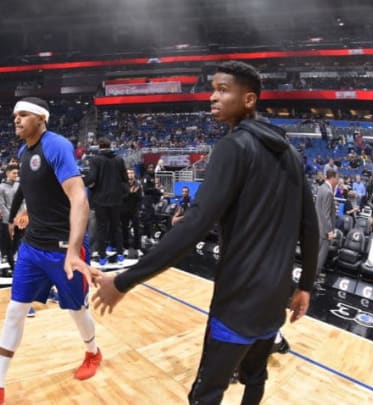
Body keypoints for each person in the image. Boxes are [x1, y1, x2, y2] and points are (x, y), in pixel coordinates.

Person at [92, 61, 319, 405]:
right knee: (255, 377)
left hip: (239, 297)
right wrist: (304, 287)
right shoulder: (289, 152)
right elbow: (309, 225)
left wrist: (124, 281)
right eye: (213, 88)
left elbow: (196, 225)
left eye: (223, 90)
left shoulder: (233, 147)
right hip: (276, 295)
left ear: (249, 99)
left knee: (206, 393)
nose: (212, 97)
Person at [0, 97, 101, 404]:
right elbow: (42, 194)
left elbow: (79, 199)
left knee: (76, 309)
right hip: (33, 246)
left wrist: (74, 250)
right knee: (15, 310)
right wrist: (25, 214)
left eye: (23, 114)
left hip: (63, 249)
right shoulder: (23, 152)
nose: (16, 119)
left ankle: (93, 353)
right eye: (14, 115)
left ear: (41, 118)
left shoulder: (57, 145)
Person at [84, 137, 128, 265]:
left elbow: (92, 178)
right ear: (110, 146)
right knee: (117, 227)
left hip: (100, 199)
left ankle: (102, 257)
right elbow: (124, 179)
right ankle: (120, 254)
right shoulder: (119, 160)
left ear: (99, 146)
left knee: (101, 228)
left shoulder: (95, 160)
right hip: (116, 199)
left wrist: (82, 181)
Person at [0, 164, 23, 271]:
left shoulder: (19, 185)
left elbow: (23, 203)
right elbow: (2, 205)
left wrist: (20, 217)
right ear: (7, 173)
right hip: (8, 221)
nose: (16, 175)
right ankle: (12, 265)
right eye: (14, 173)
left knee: (19, 243)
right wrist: (11, 219)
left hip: (20, 220)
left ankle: (19, 264)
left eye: (17, 173)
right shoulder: (0, 187)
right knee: (9, 244)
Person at [316, 169, 338, 277]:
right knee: (320, 258)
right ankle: (311, 283)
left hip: (317, 227)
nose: (337, 180)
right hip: (324, 231)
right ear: (333, 178)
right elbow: (325, 214)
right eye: (337, 178)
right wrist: (330, 231)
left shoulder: (321, 188)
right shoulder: (328, 192)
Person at [121, 168, 143, 254]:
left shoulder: (138, 184)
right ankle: (125, 247)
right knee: (124, 229)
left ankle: (137, 247)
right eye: (128, 173)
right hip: (124, 210)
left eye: (132, 173)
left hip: (134, 210)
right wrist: (130, 193)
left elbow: (140, 198)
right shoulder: (122, 185)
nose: (130, 175)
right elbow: (120, 198)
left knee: (137, 229)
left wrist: (135, 194)